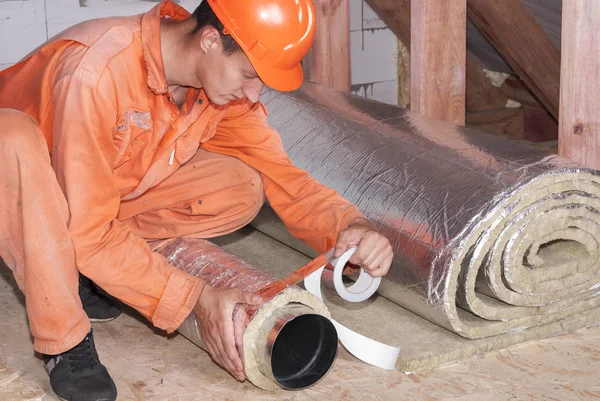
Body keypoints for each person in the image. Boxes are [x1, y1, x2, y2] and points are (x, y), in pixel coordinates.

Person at [0, 0, 394, 400]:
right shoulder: (98, 72)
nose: (253, 91)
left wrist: (349, 226)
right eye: (247, 74)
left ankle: (88, 267)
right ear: (209, 39)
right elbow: (88, 227)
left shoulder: (216, 90)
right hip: (15, 185)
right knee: (12, 137)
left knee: (239, 186)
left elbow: (283, 176)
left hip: (81, 194)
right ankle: (64, 339)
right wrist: (194, 299)